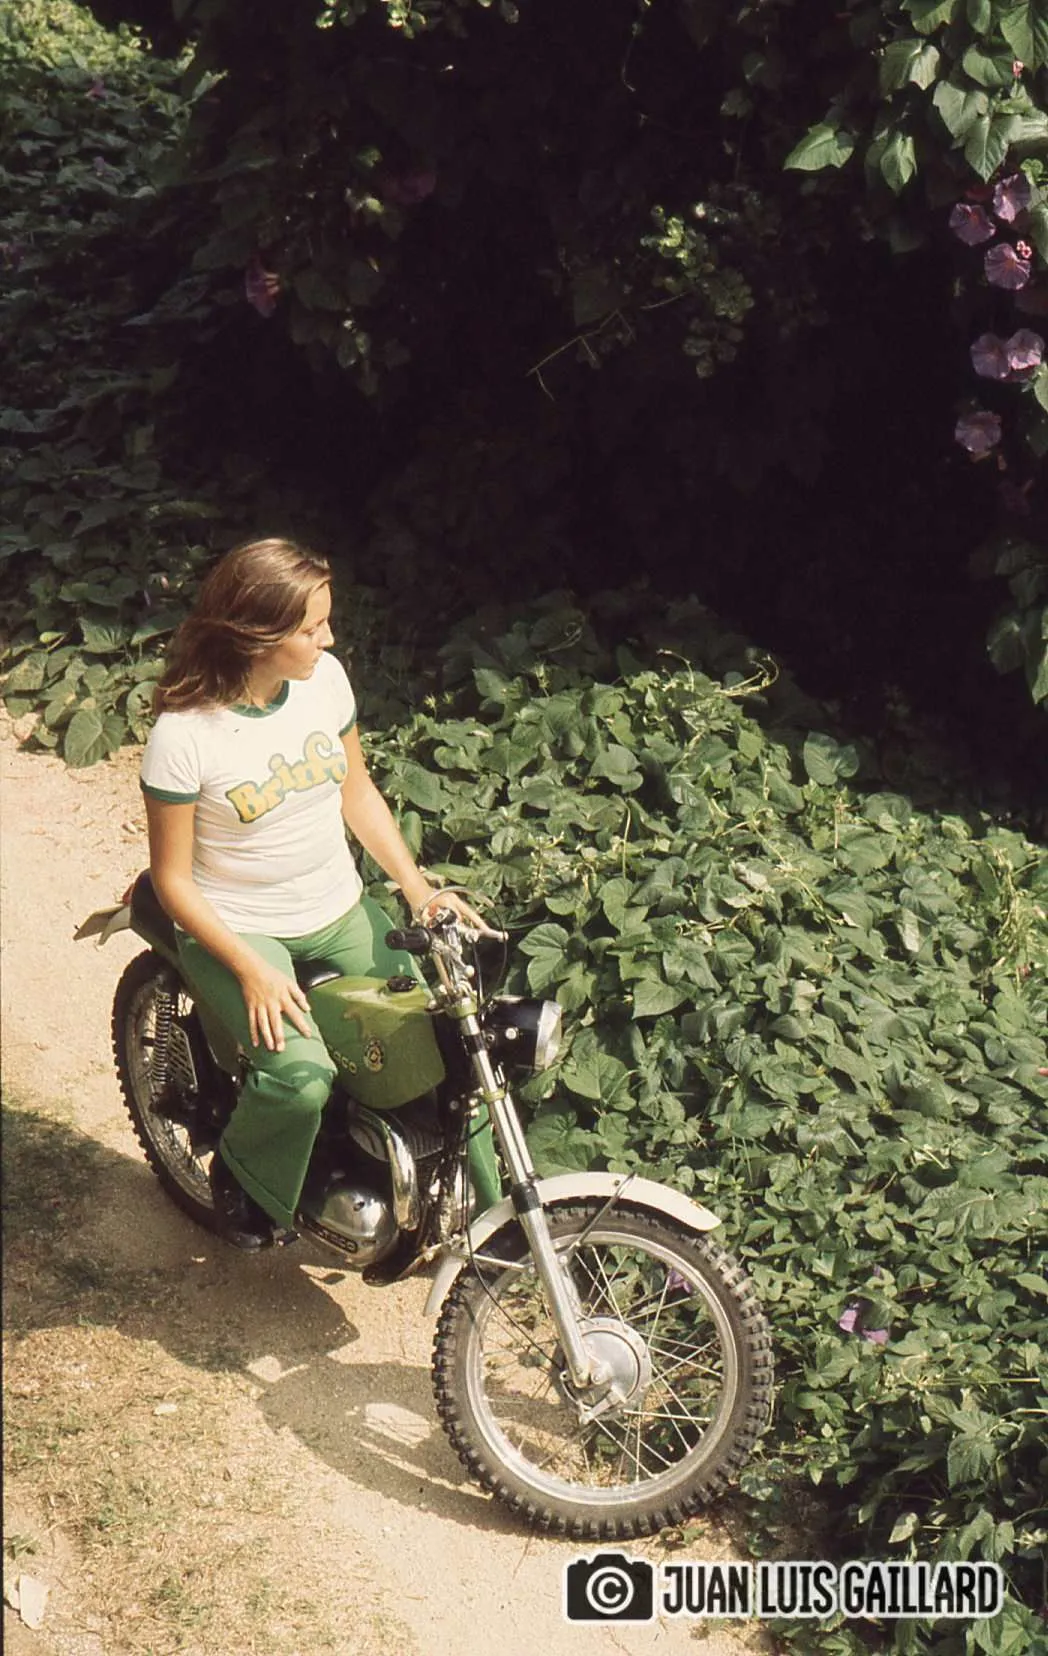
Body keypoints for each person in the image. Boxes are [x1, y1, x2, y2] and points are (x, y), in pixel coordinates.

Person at [140, 537, 486, 1249]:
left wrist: (418, 890)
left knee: (447, 1041)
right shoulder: (185, 736)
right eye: (311, 628)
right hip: (241, 928)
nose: (328, 640)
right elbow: (172, 881)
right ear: (255, 636)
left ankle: (481, 1206)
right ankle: (243, 1179)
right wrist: (250, 968)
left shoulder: (324, 681)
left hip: (338, 908)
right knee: (299, 1078)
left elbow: (357, 792)